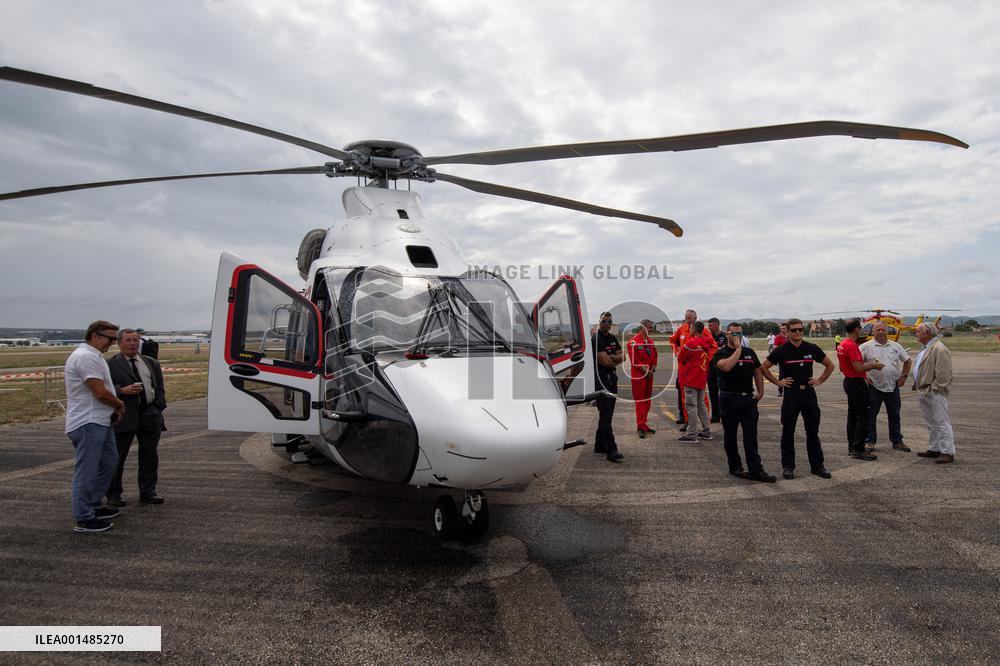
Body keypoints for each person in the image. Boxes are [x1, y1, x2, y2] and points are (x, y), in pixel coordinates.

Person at [64, 321, 126, 532]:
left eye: (114, 339)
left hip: (100, 420)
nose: (112, 343)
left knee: (109, 462)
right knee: (87, 470)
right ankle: (83, 516)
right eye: (110, 338)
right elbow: (99, 392)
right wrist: (119, 404)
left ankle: (94, 504)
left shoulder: (94, 356)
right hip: (88, 422)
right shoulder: (86, 357)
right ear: (94, 336)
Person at [761, 318, 836, 479]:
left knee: (812, 431)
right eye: (794, 330)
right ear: (787, 332)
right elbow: (764, 367)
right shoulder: (782, 350)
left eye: (800, 330)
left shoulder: (811, 348)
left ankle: (817, 466)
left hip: (809, 394)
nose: (798, 333)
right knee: (788, 432)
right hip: (791, 395)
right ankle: (788, 467)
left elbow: (830, 365)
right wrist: (778, 382)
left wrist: (820, 380)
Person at [105, 328, 167, 506]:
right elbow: (103, 388)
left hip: (150, 415)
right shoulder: (110, 364)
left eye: (135, 340)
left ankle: (148, 492)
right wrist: (121, 390)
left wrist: (158, 406)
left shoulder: (151, 362)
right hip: (124, 416)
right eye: (128, 340)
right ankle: (114, 494)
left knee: (149, 456)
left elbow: (159, 387)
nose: (133, 343)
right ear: (119, 343)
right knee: (117, 457)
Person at [713, 322, 776, 482]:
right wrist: (738, 350)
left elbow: (757, 372)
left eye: (740, 333)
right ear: (727, 334)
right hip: (729, 398)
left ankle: (756, 469)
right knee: (730, 435)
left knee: (751, 435)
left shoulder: (750, 352)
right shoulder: (721, 353)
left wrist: (760, 391)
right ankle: (735, 467)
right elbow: (726, 367)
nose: (738, 336)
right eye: (734, 333)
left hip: (748, 398)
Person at [860, 321, 912, 452]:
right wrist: (864, 377)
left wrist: (904, 376)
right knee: (871, 415)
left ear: (887, 331)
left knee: (895, 415)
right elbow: (856, 364)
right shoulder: (865, 347)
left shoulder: (895, 346)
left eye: (883, 329)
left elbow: (907, 361)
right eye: (878, 330)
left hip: (893, 386)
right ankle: (870, 441)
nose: (881, 332)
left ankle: (897, 441)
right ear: (873, 332)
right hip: (874, 387)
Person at [837, 319, 882, 462]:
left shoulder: (842, 344)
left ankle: (852, 446)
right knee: (864, 416)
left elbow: (842, 367)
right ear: (856, 329)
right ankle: (859, 449)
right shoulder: (851, 345)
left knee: (852, 415)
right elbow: (858, 368)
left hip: (849, 381)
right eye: (860, 328)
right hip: (856, 384)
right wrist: (873, 365)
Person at [912, 323, 955, 464]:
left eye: (919, 331)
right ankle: (934, 448)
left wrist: (935, 389)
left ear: (928, 332)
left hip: (934, 392)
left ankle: (947, 452)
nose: (916, 333)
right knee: (931, 422)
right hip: (923, 390)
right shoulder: (925, 348)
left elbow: (944, 373)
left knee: (941, 422)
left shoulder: (939, 348)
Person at [593, 312, 624, 462]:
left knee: (608, 414)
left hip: (612, 378)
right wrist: (614, 358)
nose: (607, 324)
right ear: (599, 322)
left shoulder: (612, 338)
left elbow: (623, 356)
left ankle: (599, 444)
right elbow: (604, 361)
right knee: (606, 413)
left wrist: (613, 358)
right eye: (604, 321)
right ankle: (611, 449)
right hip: (601, 380)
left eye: (610, 321)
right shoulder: (596, 339)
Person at [676, 321, 713, 442]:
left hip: (691, 378)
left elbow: (680, 357)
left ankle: (691, 434)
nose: (689, 329)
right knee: (701, 405)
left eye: (691, 328)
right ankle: (707, 430)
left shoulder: (691, 343)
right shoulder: (706, 342)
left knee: (691, 406)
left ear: (695, 330)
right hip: (701, 378)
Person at [627, 319, 658, 438]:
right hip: (639, 376)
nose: (651, 330)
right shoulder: (633, 342)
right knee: (640, 401)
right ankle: (640, 425)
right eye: (649, 327)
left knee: (647, 400)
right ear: (642, 328)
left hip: (649, 375)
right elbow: (634, 361)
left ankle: (643, 423)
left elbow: (655, 356)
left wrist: (652, 369)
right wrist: (646, 372)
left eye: (651, 327)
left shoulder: (650, 341)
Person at [669, 309, 698, 426]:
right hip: (683, 368)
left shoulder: (702, 330)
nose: (687, 320)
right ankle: (685, 418)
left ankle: (699, 421)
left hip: (696, 369)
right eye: (686, 318)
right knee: (683, 394)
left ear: (695, 318)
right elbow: (672, 340)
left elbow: (711, 347)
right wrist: (676, 351)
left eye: (689, 318)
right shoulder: (681, 329)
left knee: (699, 396)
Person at [706, 318, 728, 423]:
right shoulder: (707, 337)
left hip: (722, 368)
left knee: (724, 392)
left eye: (710, 325)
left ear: (716, 325)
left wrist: (718, 350)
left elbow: (728, 350)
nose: (709, 327)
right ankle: (715, 415)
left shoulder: (724, 337)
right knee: (713, 392)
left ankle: (725, 414)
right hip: (711, 367)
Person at [772, 323, 788, 396]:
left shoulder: (790, 336)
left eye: (784, 328)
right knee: (782, 375)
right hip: (782, 361)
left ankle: (790, 390)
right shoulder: (778, 337)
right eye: (781, 329)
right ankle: (780, 390)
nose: (782, 330)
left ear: (787, 329)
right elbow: (775, 349)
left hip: (792, 360)